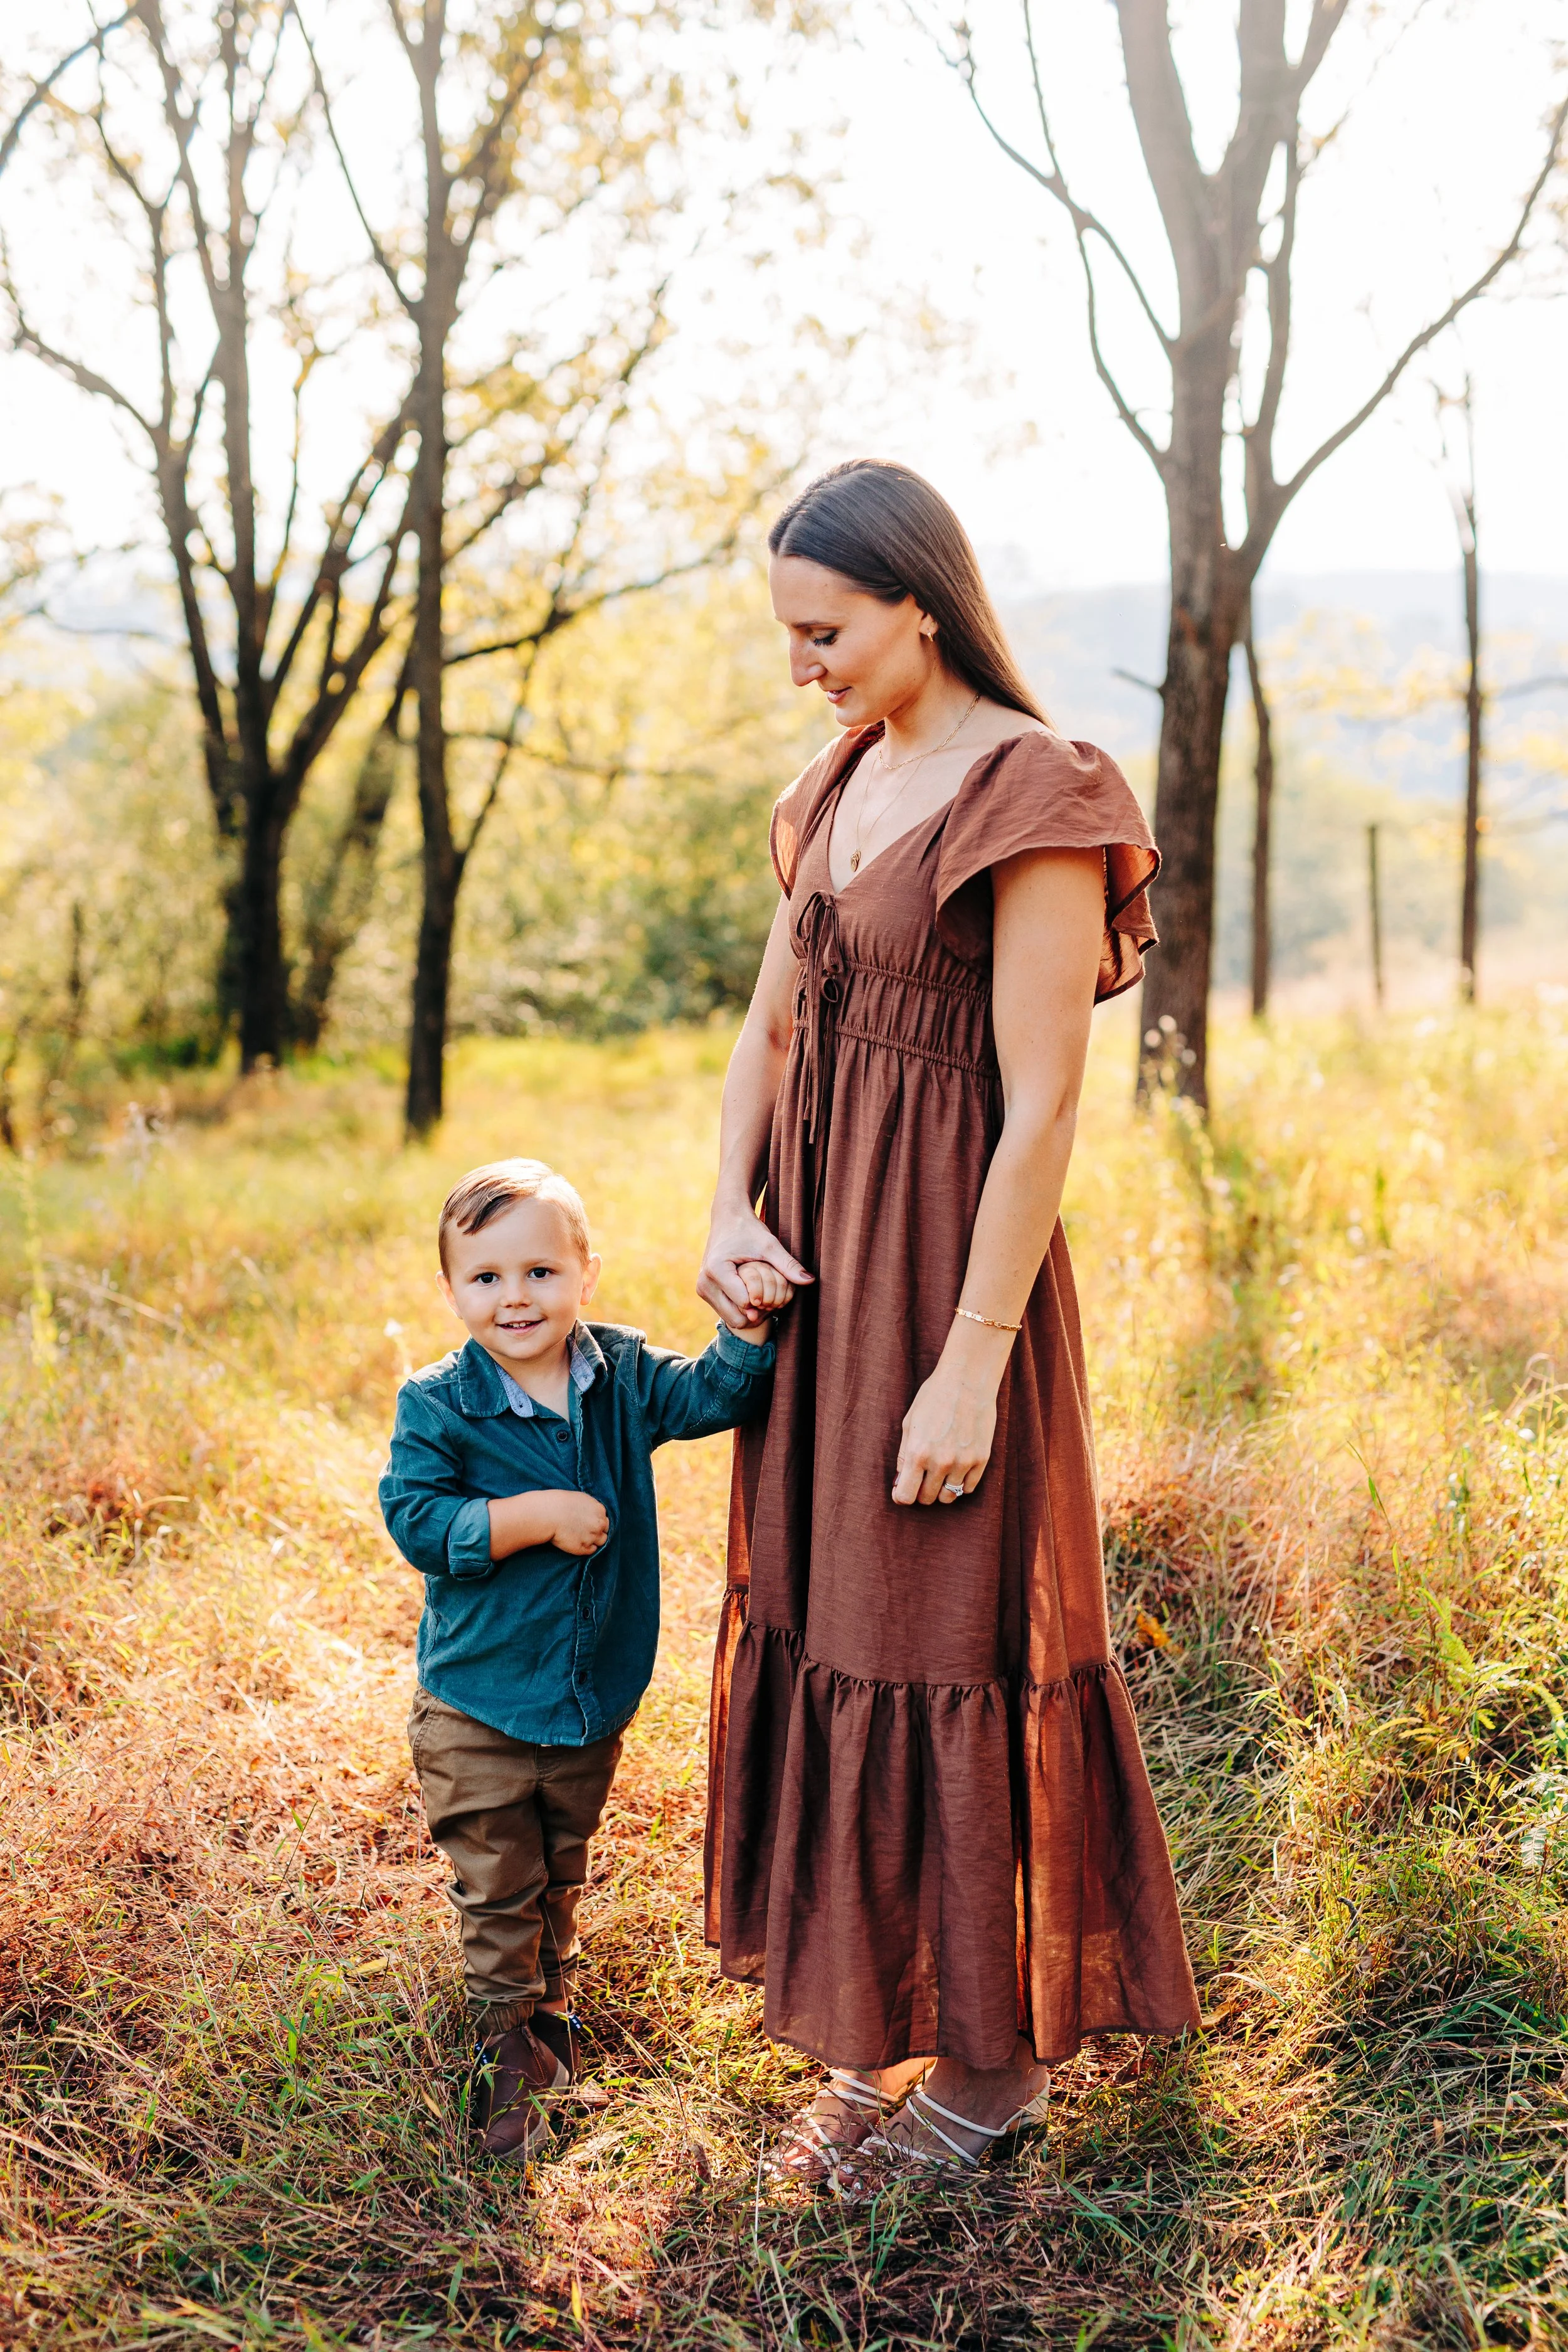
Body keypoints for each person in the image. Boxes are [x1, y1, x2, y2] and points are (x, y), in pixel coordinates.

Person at [697, 459, 1200, 2185]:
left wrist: (968, 1361)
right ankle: (880, 2020)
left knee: (945, 1641)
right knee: (838, 1621)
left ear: (919, 598)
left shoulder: (1033, 790)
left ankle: (989, 2073)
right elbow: (770, 1030)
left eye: (822, 631)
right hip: (821, 1287)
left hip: (942, 1289)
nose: (802, 667)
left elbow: (1044, 1106)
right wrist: (727, 1208)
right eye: (787, 635)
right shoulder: (839, 775)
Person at [380, 1157, 774, 2163]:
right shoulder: (439, 1402)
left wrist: (749, 1327)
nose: (516, 1297)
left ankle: (547, 1992)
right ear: (452, 1288)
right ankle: (504, 2040)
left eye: (541, 1272)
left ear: (586, 1272)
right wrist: (528, 1518)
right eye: (487, 1277)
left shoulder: (622, 1376)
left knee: (561, 1861)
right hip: (476, 1701)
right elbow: (417, 1519)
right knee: (497, 1875)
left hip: (590, 1694)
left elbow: (712, 1395)